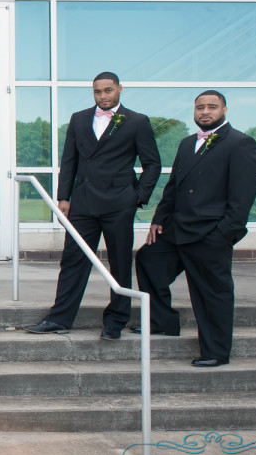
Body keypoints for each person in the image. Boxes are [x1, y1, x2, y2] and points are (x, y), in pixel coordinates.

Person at [23, 72, 161, 339]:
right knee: (73, 260)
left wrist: (137, 196)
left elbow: (152, 164)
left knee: (120, 263)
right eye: (98, 92)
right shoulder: (79, 118)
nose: (103, 96)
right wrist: (63, 198)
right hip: (83, 203)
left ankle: (116, 321)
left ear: (120, 89)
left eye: (108, 90)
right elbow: (70, 160)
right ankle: (59, 318)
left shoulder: (137, 121)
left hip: (119, 203)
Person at [135, 91, 256, 368]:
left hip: (210, 233)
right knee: (148, 259)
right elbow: (174, 188)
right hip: (178, 228)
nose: (205, 111)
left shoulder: (241, 143)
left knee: (211, 292)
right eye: (200, 107)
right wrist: (159, 219)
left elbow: (243, 196)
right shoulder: (187, 143)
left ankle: (216, 351)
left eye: (212, 107)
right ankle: (163, 322)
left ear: (225, 109)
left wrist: (225, 233)